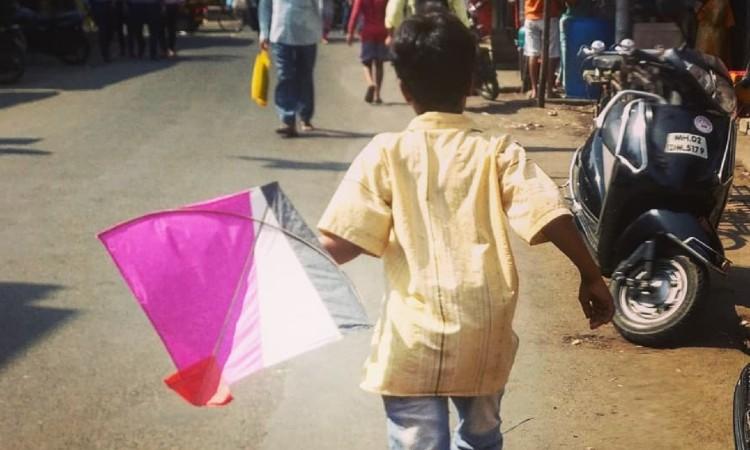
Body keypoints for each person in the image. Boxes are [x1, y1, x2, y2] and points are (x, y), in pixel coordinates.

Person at [317, 12, 614, 450]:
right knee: (481, 436)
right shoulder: (497, 151)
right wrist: (591, 274)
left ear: (404, 89)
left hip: (412, 336)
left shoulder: (385, 153)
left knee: (417, 440)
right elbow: (551, 215)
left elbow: (340, 243)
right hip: (483, 327)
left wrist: (282, 255)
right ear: (470, 81)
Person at [259, 0, 322, 138]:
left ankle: (305, 116)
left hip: (307, 33)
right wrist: (264, 32)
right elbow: (265, 5)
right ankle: (288, 120)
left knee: (304, 76)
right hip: (281, 33)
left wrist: (323, 26)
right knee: (285, 76)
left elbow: (321, 4)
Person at [346, 0, 388, 104]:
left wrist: (350, 32)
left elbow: (355, 14)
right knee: (379, 64)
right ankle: (378, 95)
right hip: (382, 30)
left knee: (366, 62)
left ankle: (370, 83)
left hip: (367, 31)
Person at [523, 0, 566, 99]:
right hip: (548, 16)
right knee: (551, 53)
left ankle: (535, 90)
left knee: (533, 53)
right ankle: (549, 90)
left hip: (530, 16)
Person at [384, 0, 468, 45]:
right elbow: (460, 11)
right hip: (444, 35)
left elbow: (394, 11)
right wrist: (466, 30)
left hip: (415, 36)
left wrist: (391, 35)